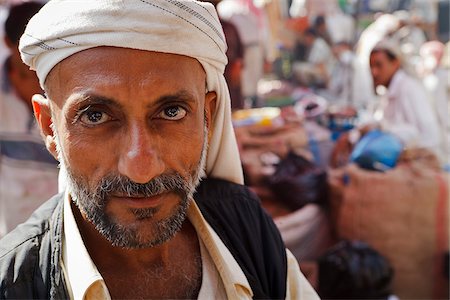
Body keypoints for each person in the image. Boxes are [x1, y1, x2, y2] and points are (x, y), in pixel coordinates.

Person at [0, 1, 319, 299]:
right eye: (95, 116)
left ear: (207, 117)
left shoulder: (245, 226)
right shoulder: (15, 282)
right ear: (49, 128)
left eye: (171, 112)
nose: (141, 168)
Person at [0, 1, 58, 238]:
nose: (34, 58)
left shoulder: (65, 90)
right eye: (26, 48)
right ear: (8, 44)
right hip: (13, 229)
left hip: (62, 227)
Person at [369, 40, 441, 151]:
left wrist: (383, 129)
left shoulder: (409, 88)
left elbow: (429, 135)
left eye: (379, 65)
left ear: (395, 63)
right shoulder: (388, 92)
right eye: (371, 66)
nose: (374, 72)